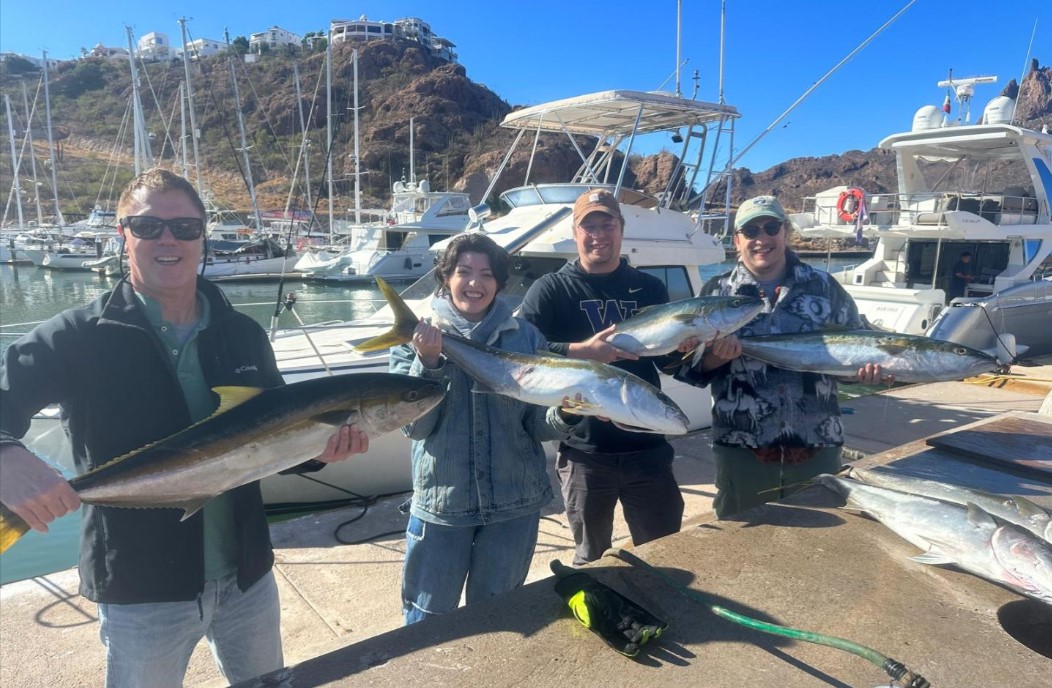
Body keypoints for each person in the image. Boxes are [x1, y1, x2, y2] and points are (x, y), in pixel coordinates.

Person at [0, 169, 369, 688]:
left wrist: (322, 449)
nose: (167, 239)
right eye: (148, 227)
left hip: (247, 576)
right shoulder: (77, 337)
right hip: (141, 585)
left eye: (185, 227)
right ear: (122, 235)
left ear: (203, 237)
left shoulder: (241, 333)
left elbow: (280, 432)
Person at [390, 232, 583, 623]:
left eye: (486, 274)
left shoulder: (526, 338)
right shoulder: (415, 339)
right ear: (446, 278)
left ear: (499, 282)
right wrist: (428, 363)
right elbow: (415, 428)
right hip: (444, 506)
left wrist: (567, 414)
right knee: (426, 620)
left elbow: (536, 424)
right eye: (464, 272)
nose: (475, 283)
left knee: (497, 617)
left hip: (514, 505)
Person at [675, 195, 887, 519]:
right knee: (742, 550)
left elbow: (852, 351)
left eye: (771, 227)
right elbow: (690, 370)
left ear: (785, 232)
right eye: (751, 230)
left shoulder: (824, 287)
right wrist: (718, 358)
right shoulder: (715, 293)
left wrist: (865, 372)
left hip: (818, 444)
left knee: (826, 547)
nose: (762, 238)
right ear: (737, 240)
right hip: (742, 450)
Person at [519, 188, 697, 566]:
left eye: (607, 224)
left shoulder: (650, 287)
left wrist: (682, 350)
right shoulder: (550, 289)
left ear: (622, 228)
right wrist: (583, 351)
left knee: (665, 552)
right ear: (575, 231)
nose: (599, 233)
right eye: (590, 225)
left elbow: (663, 364)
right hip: (585, 452)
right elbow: (524, 353)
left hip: (647, 446)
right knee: (591, 558)